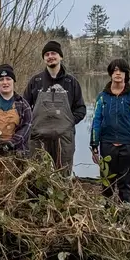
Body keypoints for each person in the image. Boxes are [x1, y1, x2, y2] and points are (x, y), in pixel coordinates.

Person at [24, 40, 86, 175]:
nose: (50, 56)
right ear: (44, 58)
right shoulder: (35, 81)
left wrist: (68, 122)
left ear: (60, 57)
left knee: (62, 176)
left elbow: (81, 109)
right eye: (47, 54)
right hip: (38, 138)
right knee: (39, 177)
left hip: (64, 139)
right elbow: (25, 108)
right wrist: (32, 125)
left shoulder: (72, 82)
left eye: (53, 53)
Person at [89, 59, 130, 204]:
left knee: (125, 184)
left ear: (126, 74)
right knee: (107, 183)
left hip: (127, 145)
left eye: (121, 71)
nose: (118, 73)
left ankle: (124, 214)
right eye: (115, 70)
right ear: (110, 74)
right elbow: (96, 121)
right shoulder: (102, 96)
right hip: (107, 144)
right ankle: (107, 214)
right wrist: (94, 145)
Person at [0, 64, 32, 156]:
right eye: (1, 80)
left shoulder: (23, 104)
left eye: (8, 79)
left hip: (16, 154)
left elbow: (26, 128)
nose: (5, 82)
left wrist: (10, 144)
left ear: (13, 81)